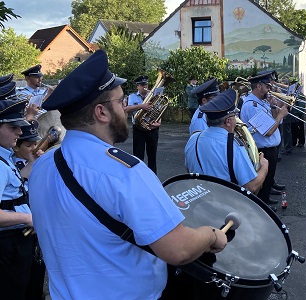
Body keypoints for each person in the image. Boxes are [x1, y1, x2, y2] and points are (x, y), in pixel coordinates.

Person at [28, 50, 227, 300]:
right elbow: (178, 250)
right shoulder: (124, 171)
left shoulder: (41, 166)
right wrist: (212, 234)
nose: (126, 109)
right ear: (101, 113)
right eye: (121, 102)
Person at [185, 89, 269, 193]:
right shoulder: (234, 146)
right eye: (235, 116)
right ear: (228, 121)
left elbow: (189, 170)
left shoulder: (193, 138)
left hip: (200, 203)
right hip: (227, 204)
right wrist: (264, 167)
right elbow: (251, 187)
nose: (236, 120)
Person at [0, 96, 35, 300]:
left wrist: (32, 162)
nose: (20, 132)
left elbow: (13, 186)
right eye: (13, 127)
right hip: (8, 243)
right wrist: (27, 219)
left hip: (15, 241)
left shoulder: (5, 156)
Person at [239, 72, 288, 208]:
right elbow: (268, 131)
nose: (269, 89)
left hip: (270, 148)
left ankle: (265, 201)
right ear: (259, 86)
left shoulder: (260, 103)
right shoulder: (251, 106)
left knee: (267, 181)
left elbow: (272, 120)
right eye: (267, 86)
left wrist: (274, 108)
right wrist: (281, 115)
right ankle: (262, 206)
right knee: (262, 183)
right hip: (263, 149)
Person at [12, 120, 46, 300]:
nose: (35, 147)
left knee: (37, 276)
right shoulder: (11, 165)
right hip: (22, 226)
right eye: (29, 145)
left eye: (35, 143)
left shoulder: (34, 161)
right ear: (16, 147)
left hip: (35, 223)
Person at [126, 75, 161, 174]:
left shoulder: (154, 96)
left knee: (152, 156)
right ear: (137, 86)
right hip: (138, 129)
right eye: (141, 85)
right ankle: (138, 176)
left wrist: (158, 123)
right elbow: (127, 109)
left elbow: (159, 111)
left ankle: (153, 177)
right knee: (138, 156)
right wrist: (142, 106)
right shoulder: (132, 97)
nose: (144, 86)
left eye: (145, 84)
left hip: (152, 128)